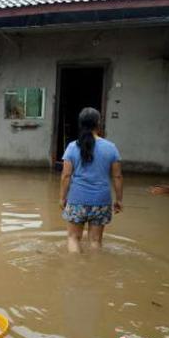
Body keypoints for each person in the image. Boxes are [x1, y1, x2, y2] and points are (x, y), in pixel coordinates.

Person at [59, 107, 123, 253]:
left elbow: (66, 175)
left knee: (73, 238)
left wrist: (62, 198)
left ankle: (75, 269)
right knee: (96, 241)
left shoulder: (72, 147)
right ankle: (94, 270)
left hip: (77, 201)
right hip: (101, 201)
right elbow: (117, 176)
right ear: (98, 124)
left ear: (80, 124)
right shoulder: (111, 148)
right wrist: (119, 200)